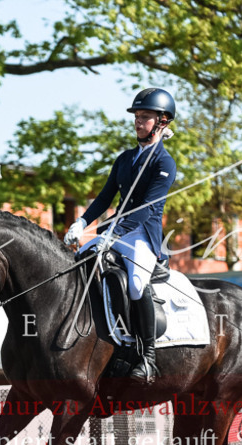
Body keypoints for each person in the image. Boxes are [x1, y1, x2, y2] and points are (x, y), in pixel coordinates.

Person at [64, 87, 178, 384]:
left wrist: (112, 232)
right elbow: (105, 197)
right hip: (117, 230)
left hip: (143, 234)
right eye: (136, 116)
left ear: (162, 121)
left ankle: (148, 357)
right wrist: (82, 222)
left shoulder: (164, 163)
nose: (138, 122)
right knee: (78, 263)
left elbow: (146, 209)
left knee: (138, 285)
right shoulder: (125, 159)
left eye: (145, 117)